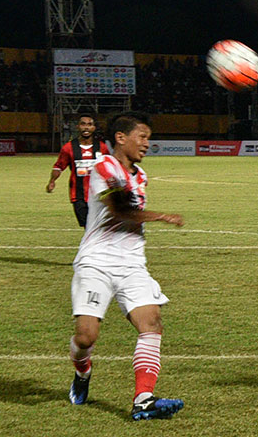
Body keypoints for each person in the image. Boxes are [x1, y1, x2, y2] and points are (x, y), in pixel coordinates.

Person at [67, 111, 185, 420]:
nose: (148, 144)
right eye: (142, 137)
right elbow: (121, 209)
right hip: (97, 263)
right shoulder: (103, 167)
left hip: (132, 264)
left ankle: (143, 399)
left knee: (152, 323)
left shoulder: (140, 176)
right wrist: (162, 216)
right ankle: (82, 371)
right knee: (86, 337)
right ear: (121, 138)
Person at [47, 114, 111, 227]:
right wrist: (52, 181)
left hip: (99, 194)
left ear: (94, 128)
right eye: (83, 124)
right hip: (78, 195)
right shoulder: (68, 148)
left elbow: (109, 167)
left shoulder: (102, 147)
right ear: (78, 127)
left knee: (98, 226)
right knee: (87, 226)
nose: (86, 127)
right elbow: (59, 166)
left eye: (89, 124)